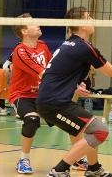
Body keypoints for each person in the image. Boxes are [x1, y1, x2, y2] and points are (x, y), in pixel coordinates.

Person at [37, 6, 112, 177]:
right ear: (83, 24)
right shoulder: (83, 47)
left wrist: (72, 86)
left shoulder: (68, 44)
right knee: (100, 131)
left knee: (85, 130)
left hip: (51, 101)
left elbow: (47, 73)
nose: (93, 19)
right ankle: (59, 170)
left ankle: (94, 169)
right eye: (89, 17)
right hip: (55, 104)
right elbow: (109, 71)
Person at [7, 13, 87, 174]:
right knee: (31, 120)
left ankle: (77, 158)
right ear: (24, 31)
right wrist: (71, 86)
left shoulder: (42, 46)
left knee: (73, 121)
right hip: (22, 95)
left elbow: (54, 69)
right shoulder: (20, 51)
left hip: (44, 95)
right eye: (33, 23)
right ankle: (23, 160)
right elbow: (44, 73)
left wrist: (75, 82)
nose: (38, 24)